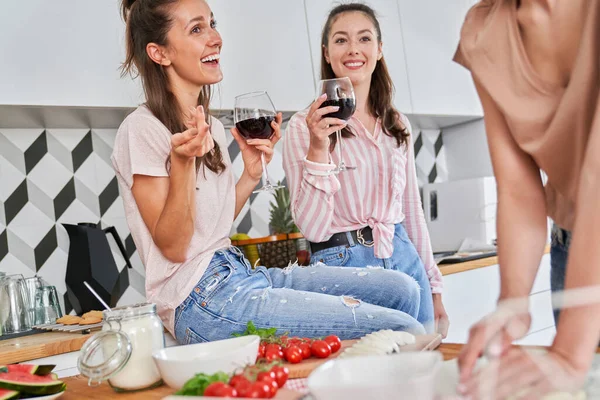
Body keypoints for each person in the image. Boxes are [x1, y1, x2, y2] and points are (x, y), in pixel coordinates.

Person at [111, 0, 426, 346]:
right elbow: (174, 247)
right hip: (198, 298)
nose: (216, 37)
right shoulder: (141, 129)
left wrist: (249, 175)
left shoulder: (212, 127)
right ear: (159, 53)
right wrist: (184, 164)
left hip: (238, 273)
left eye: (212, 24)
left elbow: (208, 232)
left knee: (403, 290)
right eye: (197, 29)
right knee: (406, 330)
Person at [453, 0, 600, 397]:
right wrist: (512, 303)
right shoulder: (484, 32)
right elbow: (519, 190)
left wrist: (569, 354)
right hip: (576, 250)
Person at [282, 3, 448, 336]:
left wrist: (435, 288)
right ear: (327, 53)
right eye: (341, 40)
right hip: (344, 267)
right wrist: (319, 146)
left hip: (404, 257)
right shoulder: (304, 127)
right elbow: (313, 230)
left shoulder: (396, 124)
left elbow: (412, 212)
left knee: (422, 378)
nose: (354, 49)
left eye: (364, 38)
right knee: (367, 380)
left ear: (379, 49)